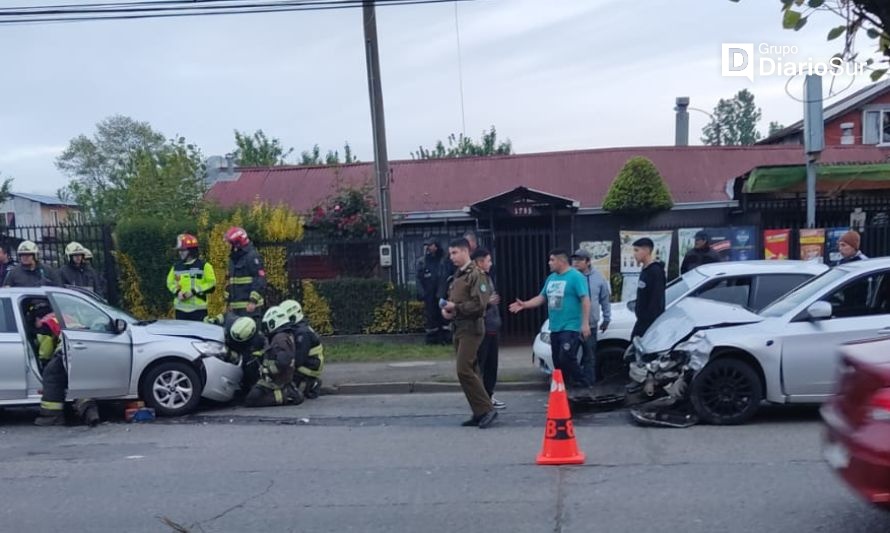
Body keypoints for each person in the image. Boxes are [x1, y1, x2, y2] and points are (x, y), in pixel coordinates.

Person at [509, 249, 593, 396]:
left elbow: (585, 300)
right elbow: (542, 297)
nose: (549, 263)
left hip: (571, 326)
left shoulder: (576, 277)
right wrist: (525, 304)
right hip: (555, 327)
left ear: (562, 261)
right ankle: (564, 393)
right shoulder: (551, 278)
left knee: (566, 356)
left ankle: (583, 382)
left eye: (552, 260)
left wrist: (585, 323)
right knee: (558, 363)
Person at [441, 238, 498, 429]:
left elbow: (479, 304)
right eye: (450, 253)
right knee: (470, 370)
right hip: (458, 327)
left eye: (455, 252)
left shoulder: (476, 274)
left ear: (465, 251)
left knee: (463, 369)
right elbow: (453, 299)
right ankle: (479, 411)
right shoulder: (458, 275)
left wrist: (455, 308)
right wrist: (448, 310)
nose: (452, 257)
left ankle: (487, 409)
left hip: (472, 327)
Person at [30, 302, 99, 427]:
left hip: (66, 351)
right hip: (84, 348)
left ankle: (52, 416)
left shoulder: (45, 324)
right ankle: (90, 412)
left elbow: (45, 351)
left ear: (37, 318)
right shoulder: (65, 316)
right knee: (77, 381)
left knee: (51, 375)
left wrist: (44, 362)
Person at [244, 306, 302, 407]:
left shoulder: (280, 338)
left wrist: (266, 369)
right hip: (275, 379)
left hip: (276, 381)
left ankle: (286, 395)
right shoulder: (283, 336)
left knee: (252, 399)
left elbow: (283, 362)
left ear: (274, 322)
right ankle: (286, 392)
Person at [571, 249, 612, 384]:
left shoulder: (598, 278)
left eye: (580, 260)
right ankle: (573, 382)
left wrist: (606, 318)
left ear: (588, 262)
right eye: (574, 260)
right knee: (570, 356)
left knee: (590, 356)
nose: (576, 262)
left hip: (591, 325)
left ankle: (589, 384)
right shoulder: (569, 276)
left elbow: (605, 299)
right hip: (572, 325)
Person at [472, 248, 505, 409]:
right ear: (480, 262)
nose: (491, 264)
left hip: (493, 326)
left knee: (492, 365)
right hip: (482, 328)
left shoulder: (487, 277)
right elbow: (473, 303)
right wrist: (488, 302)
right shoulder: (474, 278)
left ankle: (489, 395)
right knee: (481, 365)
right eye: (488, 260)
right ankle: (481, 399)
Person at [206, 312, 266, 392]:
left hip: (241, 351)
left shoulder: (258, 340)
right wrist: (214, 320)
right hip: (222, 344)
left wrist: (236, 356)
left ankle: (245, 388)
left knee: (250, 366)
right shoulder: (230, 320)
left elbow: (251, 357)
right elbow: (224, 316)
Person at [279, 299, 325, 400]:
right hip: (310, 362)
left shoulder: (302, 333)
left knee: (289, 386)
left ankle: (312, 384)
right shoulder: (299, 329)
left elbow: (299, 358)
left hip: (310, 365)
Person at [167, 233, 217, 321]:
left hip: (198, 310)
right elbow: (169, 282)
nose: (180, 253)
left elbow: (211, 283)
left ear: (191, 250)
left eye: (183, 250)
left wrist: (194, 291)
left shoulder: (204, 266)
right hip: (180, 310)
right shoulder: (176, 267)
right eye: (179, 250)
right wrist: (177, 292)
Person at [224, 227, 266, 318]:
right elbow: (230, 282)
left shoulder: (252, 256)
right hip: (235, 309)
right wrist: (228, 301)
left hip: (250, 309)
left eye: (231, 243)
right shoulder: (233, 259)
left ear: (237, 244)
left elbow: (259, 279)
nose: (229, 246)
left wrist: (253, 301)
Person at [630, 238, 666, 340]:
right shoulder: (645, 270)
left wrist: (648, 322)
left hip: (649, 324)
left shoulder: (655, 271)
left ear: (646, 250)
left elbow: (656, 300)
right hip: (641, 320)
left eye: (637, 250)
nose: (634, 254)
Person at [416, 238, 449, 345]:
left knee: (444, 316)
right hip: (429, 294)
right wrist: (422, 293)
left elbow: (446, 277)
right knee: (431, 317)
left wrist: (442, 292)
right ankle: (432, 339)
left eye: (430, 245)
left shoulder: (443, 259)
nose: (428, 248)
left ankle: (446, 338)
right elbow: (419, 277)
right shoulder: (423, 261)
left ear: (436, 246)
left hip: (442, 293)